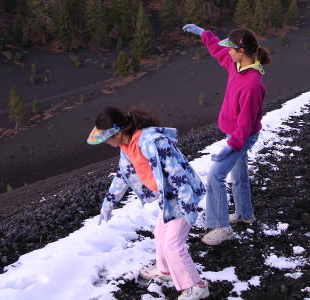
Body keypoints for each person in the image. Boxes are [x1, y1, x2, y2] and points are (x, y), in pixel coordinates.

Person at [87, 106, 209, 300]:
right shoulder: (126, 147)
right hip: (168, 197)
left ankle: (195, 285)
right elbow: (123, 175)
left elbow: (176, 172)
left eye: (106, 138)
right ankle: (166, 270)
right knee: (160, 232)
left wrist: (187, 206)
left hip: (181, 195)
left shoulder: (152, 142)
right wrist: (109, 202)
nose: (106, 143)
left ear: (118, 134)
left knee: (173, 244)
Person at [182, 24, 270, 246]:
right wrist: (204, 34)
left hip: (242, 135)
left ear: (242, 51)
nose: (228, 52)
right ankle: (244, 214)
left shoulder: (252, 84)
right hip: (236, 133)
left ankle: (221, 226)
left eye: (232, 49)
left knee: (215, 176)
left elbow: (246, 123)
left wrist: (232, 145)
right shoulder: (236, 65)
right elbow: (218, 50)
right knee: (239, 175)